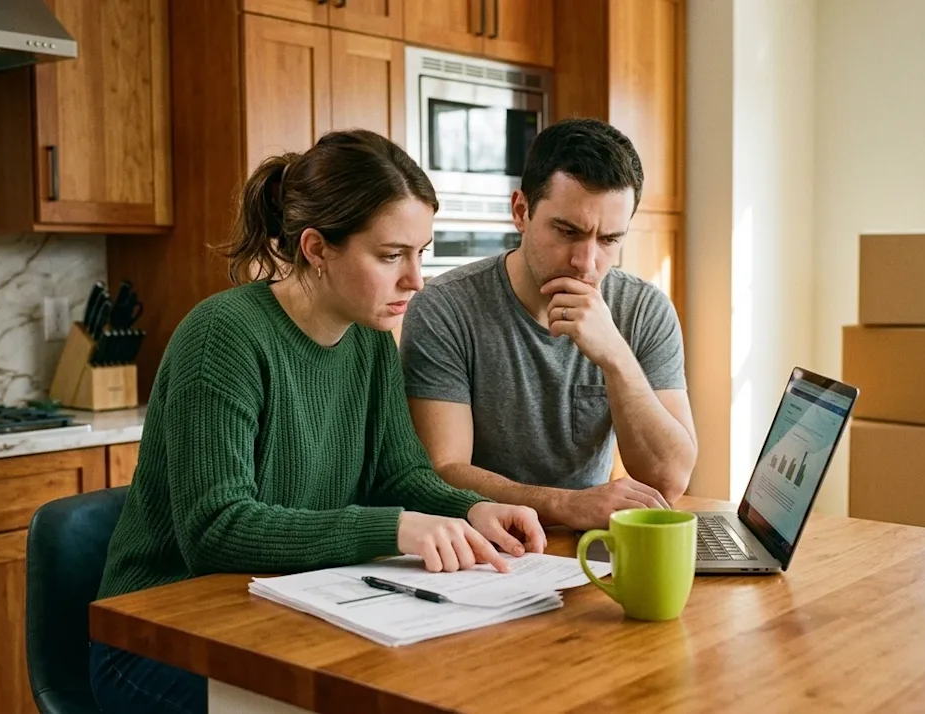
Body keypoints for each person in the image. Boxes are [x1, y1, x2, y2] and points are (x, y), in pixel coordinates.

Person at [89, 129, 546, 714]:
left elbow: (400, 473)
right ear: (316, 247)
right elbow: (214, 531)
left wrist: (472, 509)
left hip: (278, 621)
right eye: (390, 256)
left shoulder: (371, 337)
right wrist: (395, 529)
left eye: (421, 253)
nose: (416, 280)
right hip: (159, 640)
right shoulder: (222, 337)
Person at [399, 118, 697, 532]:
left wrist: (614, 356)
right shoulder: (446, 308)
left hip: (590, 545)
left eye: (609, 240)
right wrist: (566, 505)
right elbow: (442, 469)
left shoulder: (644, 310)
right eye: (567, 231)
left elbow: (669, 480)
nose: (587, 262)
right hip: (482, 544)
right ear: (521, 211)